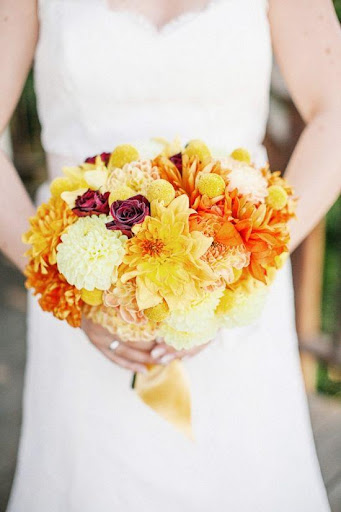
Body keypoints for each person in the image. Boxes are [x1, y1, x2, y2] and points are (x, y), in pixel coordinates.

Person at [1, 0, 340, 510]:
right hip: (81, 290)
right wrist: (60, 283)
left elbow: (336, 113)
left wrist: (241, 271)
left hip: (237, 287)